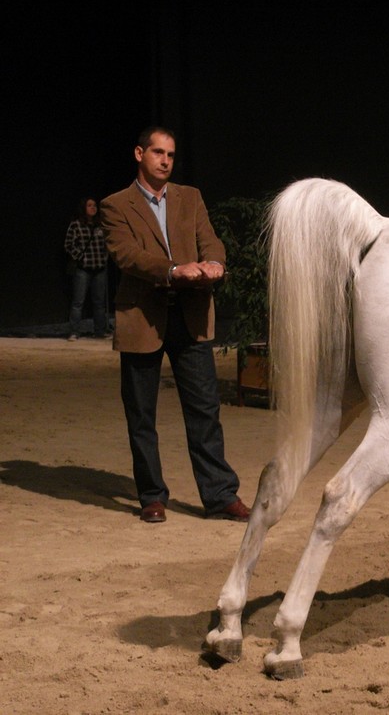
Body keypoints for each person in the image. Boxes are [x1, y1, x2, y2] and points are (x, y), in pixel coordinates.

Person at [100, 126, 250, 524]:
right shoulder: (115, 205)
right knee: (142, 416)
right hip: (142, 318)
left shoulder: (191, 197)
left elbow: (210, 241)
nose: (165, 160)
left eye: (170, 154)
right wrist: (173, 270)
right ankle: (152, 496)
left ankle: (220, 496)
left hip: (191, 316)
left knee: (204, 411)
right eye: (157, 152)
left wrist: (215, 263)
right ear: (139, 154)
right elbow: (127, 255)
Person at [64, 196, 110, 340]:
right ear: (84, 208)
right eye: (90, 205)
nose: (93, 208)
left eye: (95, 205)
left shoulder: (100, 225)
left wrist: (105, 257)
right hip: (83, 269)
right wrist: (80, 257)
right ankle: (74, 332)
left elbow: (108, 243)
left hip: (99, 269)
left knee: (99, 303)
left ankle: (100, 332)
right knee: (78, 302)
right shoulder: (76, 225)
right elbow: (68, 244)